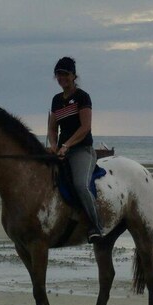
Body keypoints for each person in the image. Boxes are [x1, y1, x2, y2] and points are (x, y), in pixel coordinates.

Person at [47, 57, 103, 243]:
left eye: (65, 74)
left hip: (81, 150)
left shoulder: (82, 97)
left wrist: (66, 145)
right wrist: (54, 145)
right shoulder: (56, 100)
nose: (62, 77)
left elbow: (85, 127)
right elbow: (52, 128)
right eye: (59, 74)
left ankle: (96, 226)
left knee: (81, 185)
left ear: (73, 76)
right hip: (62, 150)